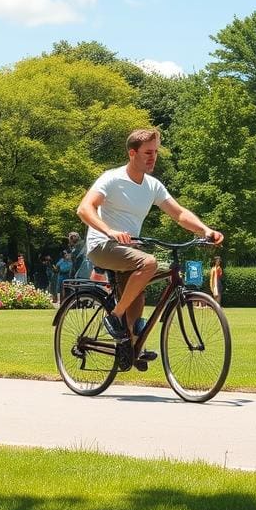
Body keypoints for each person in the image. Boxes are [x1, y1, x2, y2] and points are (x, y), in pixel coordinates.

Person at [77, 128, 223, 372]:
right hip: (102, 245)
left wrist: (205, 231)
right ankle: (115, 315)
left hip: (129, 249)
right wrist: (109, 231)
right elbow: (84, 209)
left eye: (155, 152)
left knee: (140, 292)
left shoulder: (152, 185)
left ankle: (130, 348)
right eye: (147, 152)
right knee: (149, 263)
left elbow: (179, 213)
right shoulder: (112, 179)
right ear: (132, 153)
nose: (152, 157)